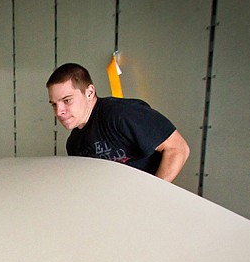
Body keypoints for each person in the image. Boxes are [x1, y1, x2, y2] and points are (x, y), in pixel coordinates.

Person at [46, 63, 189, 182]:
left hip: (146, 202)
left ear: (89, 93)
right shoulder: (74, 143)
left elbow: (177, 149)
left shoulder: (122, 114)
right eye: (54, 104)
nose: (59, 112)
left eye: (67, 100)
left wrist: (152, 195)